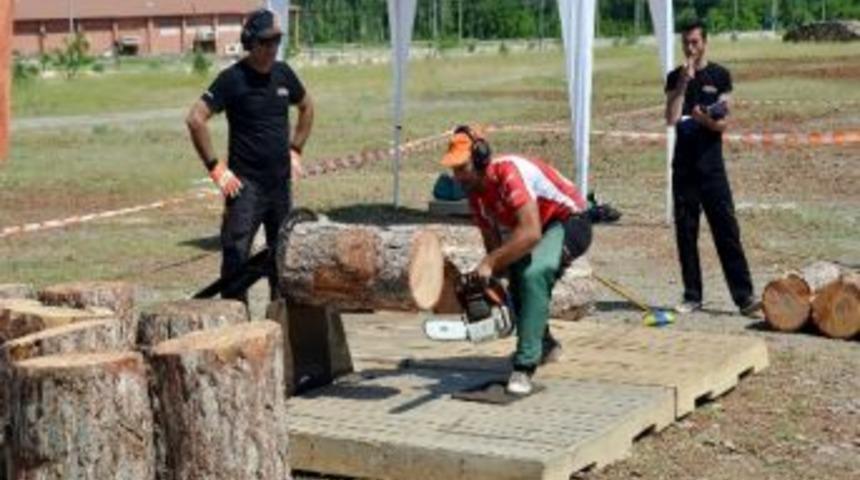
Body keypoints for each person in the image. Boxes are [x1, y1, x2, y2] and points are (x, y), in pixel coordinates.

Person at [441, 125, 592, 395]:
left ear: (480, 159)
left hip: (569, 221)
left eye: (462, 168)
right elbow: (494, 246)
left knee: (534, 273)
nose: (457, 177)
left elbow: (531, 233)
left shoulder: (508, 172)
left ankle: (524, 366)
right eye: (454, 169)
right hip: (540, 227)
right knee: (518, 276)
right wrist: (489, 282)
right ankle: (545, 344)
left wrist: (489, 264)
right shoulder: (476, 195)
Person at [186, 9, 314, 302]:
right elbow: (195, 119)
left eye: (276, 41)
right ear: (249, 42)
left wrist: (296, 150)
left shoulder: (284, 74)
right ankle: (235, 322)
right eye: (265, 42)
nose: (272, 48)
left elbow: (307, 106)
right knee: (236, 260)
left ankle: (278, 321)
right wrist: (216, 168)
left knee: (283, 258)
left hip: (280, 185)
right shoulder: (232, 79)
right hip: (245, 188)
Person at [665, 20, 759, 317]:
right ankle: (692, 295)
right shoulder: (675, 76)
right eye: (685, 42)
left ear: (705, 42)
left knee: (727, 231)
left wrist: (703, 119)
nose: (690, 48)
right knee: (686, 233)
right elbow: (671, 117)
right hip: (684, 168)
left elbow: (722, 123)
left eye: (694, 42)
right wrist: (683, 82)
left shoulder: (720, 76)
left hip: (711, 168)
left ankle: (744, 297)